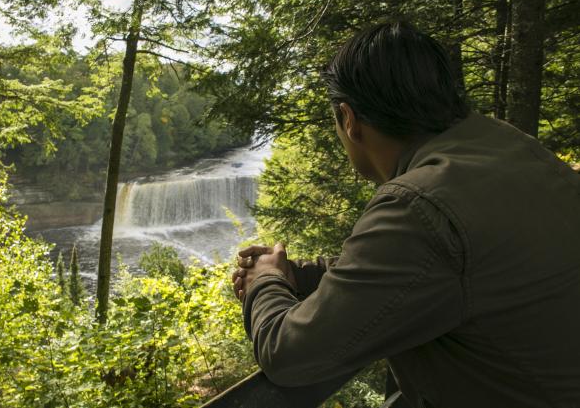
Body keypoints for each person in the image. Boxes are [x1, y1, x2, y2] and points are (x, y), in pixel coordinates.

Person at [231, 22, 580, 408]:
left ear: (349, 119)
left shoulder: (418, 204)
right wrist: (299, 274)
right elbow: (435, 266)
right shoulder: (509, 148)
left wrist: (264, 280)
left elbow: (289, 356)